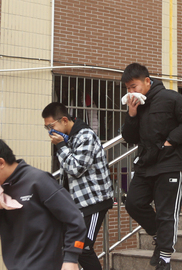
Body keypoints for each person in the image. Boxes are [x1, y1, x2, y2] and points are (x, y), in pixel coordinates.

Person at [121, 63, 182, 270]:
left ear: (147, 81)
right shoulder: (137, 105)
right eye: (128, 88)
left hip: (170, 163)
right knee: (133, 203)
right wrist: (131, 114)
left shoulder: (170, 98)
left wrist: (171, 141)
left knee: (166, 212)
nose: (131, 91)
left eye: (134, 86)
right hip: (146, 164)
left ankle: (165, 257)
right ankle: (159, 235)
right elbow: (129, 138)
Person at [42, 102, 114, 270]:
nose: (50, 132)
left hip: (94, 201)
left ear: (64, 120)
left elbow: (75, 169)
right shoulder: (69, 138)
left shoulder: (85, 136)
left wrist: (61, 146)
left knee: (83, 247)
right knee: (69, 246)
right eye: (47, 128)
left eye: (51, 126)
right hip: (77, 204)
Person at [0, 139, 86, 270]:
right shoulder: (2, 190)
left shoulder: (38, 180)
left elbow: (75, 219)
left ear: (1, 163)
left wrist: (71, 258)